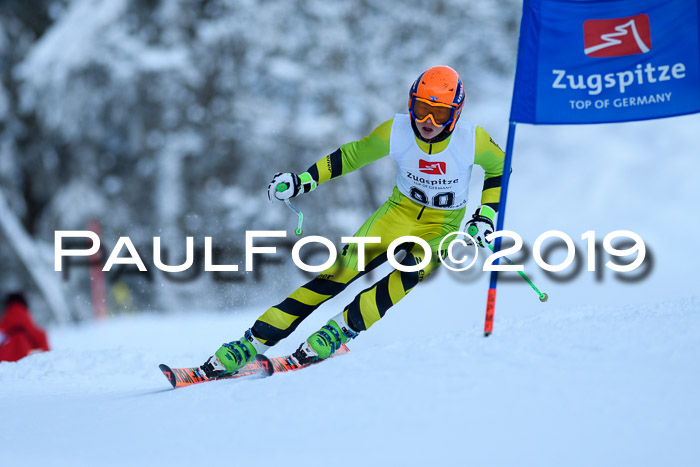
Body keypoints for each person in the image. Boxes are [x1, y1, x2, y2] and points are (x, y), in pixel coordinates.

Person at [200, 65, 506, 377]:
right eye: (420, 109)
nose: (427, 122)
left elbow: (499, 169)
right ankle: (252, 343)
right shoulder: (396, 131)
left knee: (402, 280)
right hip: (396, 216)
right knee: (332, 278)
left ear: (455, 114)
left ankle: (339, 331)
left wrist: (485, 215)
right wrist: (304, 180)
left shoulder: (472, 141)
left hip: (440, 229)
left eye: (438, 115)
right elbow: (350, 156)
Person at [0, 292, 50, 362]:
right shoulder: (25, 315)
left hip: (5, 360)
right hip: (26, 358)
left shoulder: (7, 316)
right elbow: (39, 335)